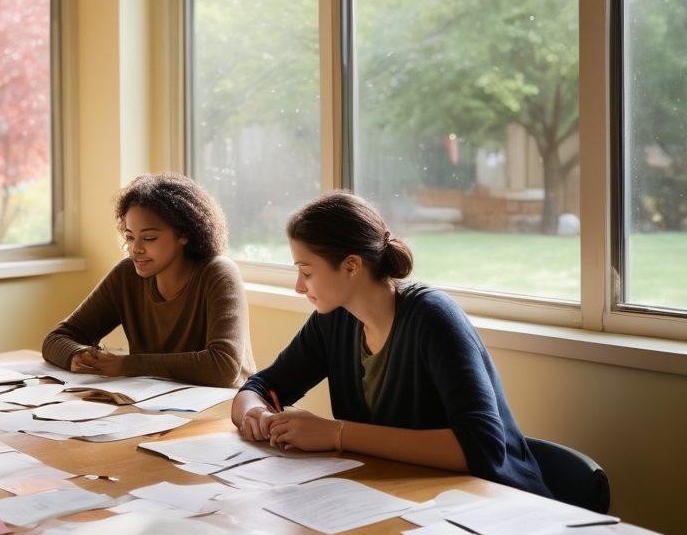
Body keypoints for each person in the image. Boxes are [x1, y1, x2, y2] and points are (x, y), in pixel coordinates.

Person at [232, 191, 550, 497]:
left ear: (352, 266)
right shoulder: (333, 320)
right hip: (408, 498)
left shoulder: (433, 318)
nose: (300, 287)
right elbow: (260, 386)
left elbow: (482, 448)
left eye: (307, 272)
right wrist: (254, 415)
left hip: (495, 505)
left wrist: (336, 434)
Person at [43, 173, 254, 386]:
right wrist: (79, 355)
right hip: (153, 405)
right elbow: (56, 339)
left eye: (149, 238)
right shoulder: (126, 275)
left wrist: (127, 365)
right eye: (129, 237)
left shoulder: (218, 273)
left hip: (226, 409)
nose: (136, 249)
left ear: (184, 234)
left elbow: (223, 366)